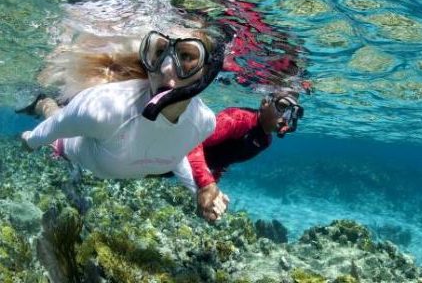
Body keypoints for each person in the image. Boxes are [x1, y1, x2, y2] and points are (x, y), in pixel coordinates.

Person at [20, 29, 230, 220]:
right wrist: (31, 141)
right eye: (159, 53)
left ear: (207, 71)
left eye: (186, 56)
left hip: (112, 158)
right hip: (73, 147)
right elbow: (58, 124)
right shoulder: (103, 109)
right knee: (53, 112)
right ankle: (43, 102)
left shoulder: (204, 123)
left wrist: (199, 190)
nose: (166, 69)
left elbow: (175, 150)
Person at [190, 89, 304, 221]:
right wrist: (207, 185)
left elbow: (226, 159)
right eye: (283, 106)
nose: (287, 116)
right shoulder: (238, 119)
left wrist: (213, 194)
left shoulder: (265, 141)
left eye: (293, 112)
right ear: (264, 103)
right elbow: (191, 142)